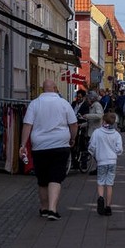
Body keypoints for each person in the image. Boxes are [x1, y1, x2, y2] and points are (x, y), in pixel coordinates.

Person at [19, 79, 78, 221]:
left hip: (40, 146)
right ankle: (52, 209)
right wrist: (73, 138)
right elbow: (74, 123)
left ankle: (44, 208)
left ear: (42, 89)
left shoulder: (35, 104)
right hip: (60, 144)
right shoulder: (64, 103)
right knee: (56, 178)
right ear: (55, 88)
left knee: (43, 179)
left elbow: (27, 125)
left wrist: (22, 145)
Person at [88, 111, 123, 216]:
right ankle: (108, 207)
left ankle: (100, 198)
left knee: (100, 182)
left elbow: (91, 147)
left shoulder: (97, 132)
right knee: (109, 184)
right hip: (112, 161)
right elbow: (119, 150)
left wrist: (94, 153)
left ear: (103, 121)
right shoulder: (116, 135)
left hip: (101, 161)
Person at [78, 90, 104, 174]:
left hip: (96, 131)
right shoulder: (92, 106)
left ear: (92, 99)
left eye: (88, 98)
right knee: (93, 150)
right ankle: (98, 167)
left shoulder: (97, 105)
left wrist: (87, 116)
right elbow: (91, 122)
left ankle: (99, 168)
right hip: (91, 131)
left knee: (95, 151)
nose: (87, 100)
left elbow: (100, 116)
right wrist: (82, 125)